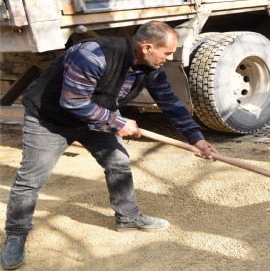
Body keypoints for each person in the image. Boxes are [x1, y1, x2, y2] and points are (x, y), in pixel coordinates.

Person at [1, 21, 218, 270]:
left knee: (118, 162)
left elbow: (170, 102)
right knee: (31, 179)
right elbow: (74, 102)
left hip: (96, 118)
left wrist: (196, 139)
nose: (169, 58)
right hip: (50, 119)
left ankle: (128, 217)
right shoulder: (92, 55)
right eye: (167, 53)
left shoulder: (150, 67)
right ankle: (16, 234)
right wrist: (116, 121)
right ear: (147, 47)